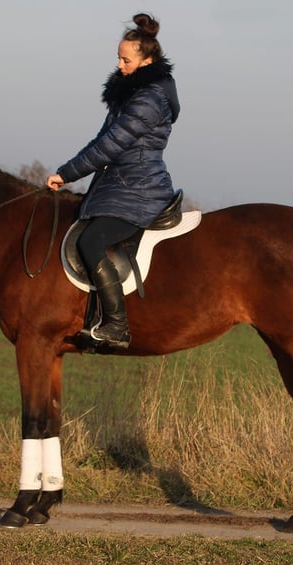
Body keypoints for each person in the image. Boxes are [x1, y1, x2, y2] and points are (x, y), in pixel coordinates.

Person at [46, 13, 181, 349]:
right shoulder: (131, 95)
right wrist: (69, 169)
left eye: (126, 60)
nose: (120, 65)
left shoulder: (149, 100)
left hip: (139, 189)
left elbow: (110, 146)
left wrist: (66, 174)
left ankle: (116, 326)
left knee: (91, 243)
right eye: (118, 59)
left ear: (147, 61)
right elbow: (99, 141)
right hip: (121, 186)